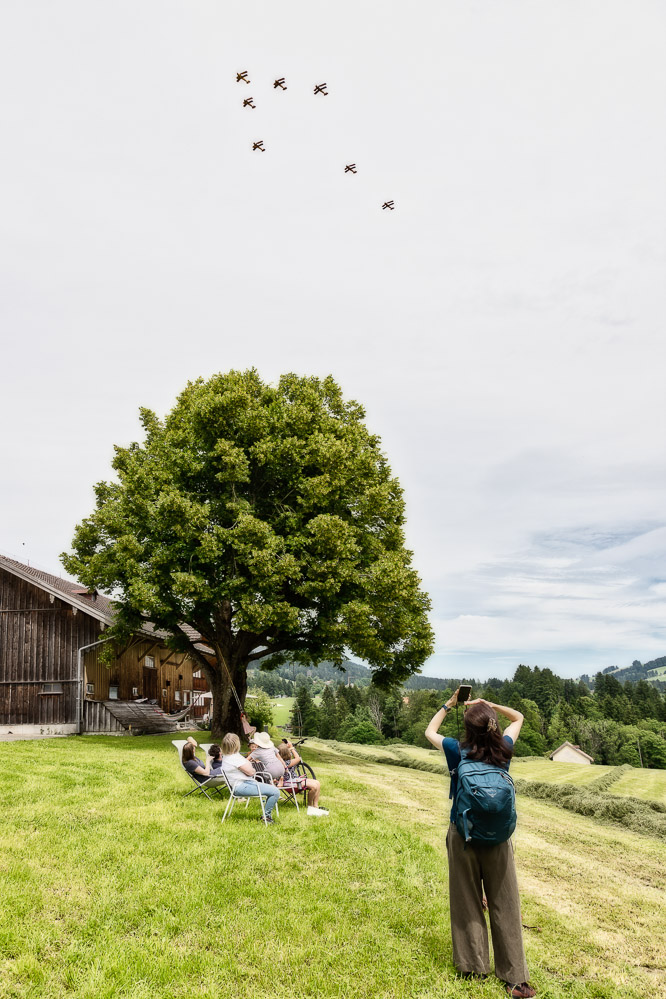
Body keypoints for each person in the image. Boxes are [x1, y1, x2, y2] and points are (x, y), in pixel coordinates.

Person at [425, 690, 535, 999]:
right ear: (493, 726)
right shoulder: (504, 748)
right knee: (506, 902)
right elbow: (519, 717)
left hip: (463, 833)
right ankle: (515, 979)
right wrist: (487, 706)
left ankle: (473, 967)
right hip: (499, 838)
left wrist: (451, 704)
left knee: (467, 899)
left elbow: (429, 731)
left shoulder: (456, 750)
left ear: (468, 729)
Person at [219, 732, 280, 824]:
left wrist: (248, 766)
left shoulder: (227, 757)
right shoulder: (234, 758)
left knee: (271, 790)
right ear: (237, 744)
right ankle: (266, 817)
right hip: (242, 786)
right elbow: (251, 772)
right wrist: (250, 767)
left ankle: (266, 815)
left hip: (239, 785)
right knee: (275, 792)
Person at [277, 741, 328, 815]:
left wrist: (290, 748)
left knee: (317, 783)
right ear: (287, 754)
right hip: (289, 783)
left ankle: (315, 806)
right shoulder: (286, 763)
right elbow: (298, 758)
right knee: (313, 786)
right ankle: (310, 806)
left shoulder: (285, 761)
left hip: (294, 780)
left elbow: (297, 758)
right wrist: (291, 748)